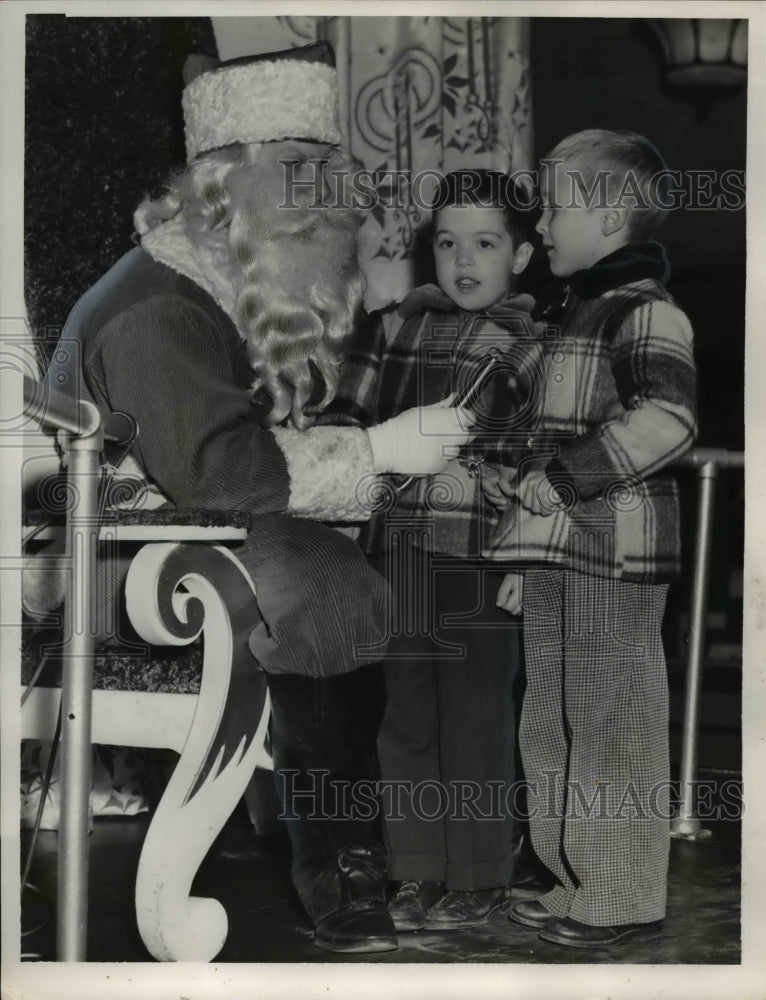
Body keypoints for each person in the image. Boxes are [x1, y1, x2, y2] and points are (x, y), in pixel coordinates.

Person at [41, 43, 475, 955]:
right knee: (328, 587)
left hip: (181, 531)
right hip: (107, 557)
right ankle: (343, 870)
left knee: (381, 570)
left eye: (330, 171)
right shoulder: (158, 304)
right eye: (298, 172)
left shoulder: (228, 280)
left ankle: (362, 840)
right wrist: (380, 450)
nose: (325, 197)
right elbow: (217, 470)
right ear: (219, 185)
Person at [484, 129, 698, 949]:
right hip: (560, 553)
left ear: (609, 215)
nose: (540, 225)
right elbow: (542, 444)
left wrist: (568, 478)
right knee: (550, 718)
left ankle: (618, 893)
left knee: (613, 720)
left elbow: (668, 420)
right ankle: (570, 875)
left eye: (555, 206)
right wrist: (522, 550)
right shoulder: (572, 314)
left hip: (617, 553)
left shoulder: (647, 311)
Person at [325, 170, 540, 932]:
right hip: (402, 546)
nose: (463, 259)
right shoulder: (389, 327)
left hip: (480, 551)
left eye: (485, 242)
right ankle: (416, 870)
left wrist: (523, 554)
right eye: (447, 242)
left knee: (476, 710)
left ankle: (479, 872)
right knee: (407, 707)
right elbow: (345, 428)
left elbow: (533, 463)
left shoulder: (533, 340)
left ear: (520, 255)